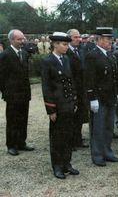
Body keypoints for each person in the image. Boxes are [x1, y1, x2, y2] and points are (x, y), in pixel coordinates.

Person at [41, 32, 79, 179]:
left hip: (68, 104)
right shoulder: (47, 61)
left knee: (68, 135)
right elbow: (46, 87)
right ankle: (57, 166)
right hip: (57, 105)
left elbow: (71, 81)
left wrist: (74, 101)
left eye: (67, 44)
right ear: (55, 44)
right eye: (64, 44)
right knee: (57, 137)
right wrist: (51, 109)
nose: (66, 47)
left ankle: (67, 163)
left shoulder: (67, 59)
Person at [85, 27, 118, 166]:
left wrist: (116, 94)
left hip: (109, 97)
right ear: (98, 39)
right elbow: (89, 79)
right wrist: (92, 98)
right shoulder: (92, 56)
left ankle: (107, 151)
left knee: (108, 127)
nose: (110, 41)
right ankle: (97, 154)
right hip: (98, 98)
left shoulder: (110, 55)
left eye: (111, 39)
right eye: (107, 39)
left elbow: (113, 78)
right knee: (98, 128)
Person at [0, 29, 34, 156]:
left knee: (23, 118)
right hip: (12, 94)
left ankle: (21, 142)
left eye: (22, 39)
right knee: (13, 119)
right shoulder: (5, 55)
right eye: (19, 39)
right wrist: (6, 92)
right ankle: (11, 145)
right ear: (11, 40)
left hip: (24, 93)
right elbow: (1, 76)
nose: (22, 41)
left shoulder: (24, 54)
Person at [66, 29, 89, 149]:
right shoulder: (65, 52)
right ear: (69, 38)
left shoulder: (81, 50)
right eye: (75, 37)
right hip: (71, 89)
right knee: (71, 116)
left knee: (79, 115)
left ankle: (77, 139)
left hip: (81, 89)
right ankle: (70, 141)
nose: (79, 39)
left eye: (79, 37)